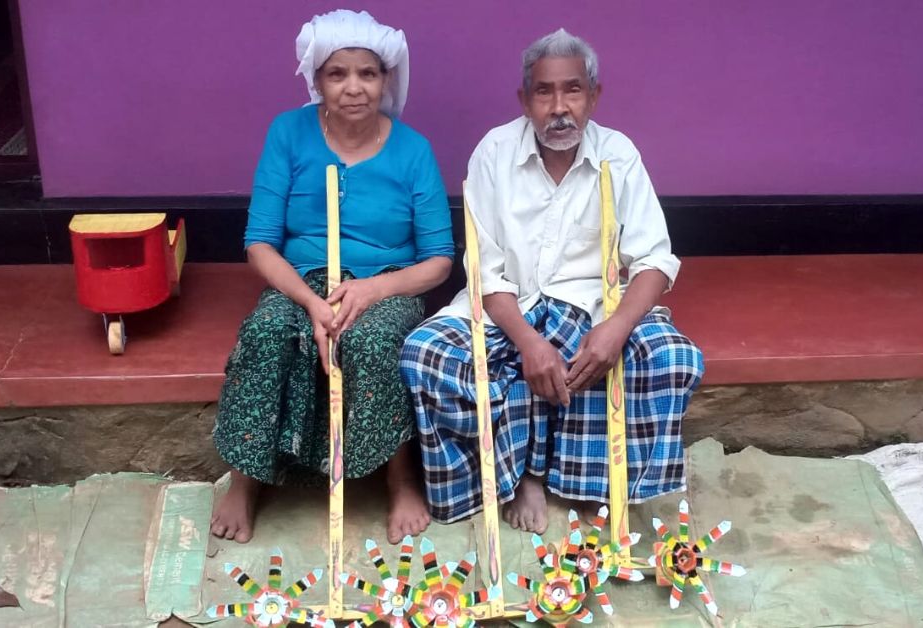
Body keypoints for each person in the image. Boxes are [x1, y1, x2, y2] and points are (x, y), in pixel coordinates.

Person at [400, 29, 703, 534]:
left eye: (573, 90)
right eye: (544, 92)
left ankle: (590, 482)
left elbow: (654, 259)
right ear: (524, 99)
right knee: (424, 354)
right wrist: (527, 341)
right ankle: (521, 477)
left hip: (594, 305)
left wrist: (616, 329)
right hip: (508, 305)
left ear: (594, 96)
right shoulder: (494, 153)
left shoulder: (618, 154)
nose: (559, 107)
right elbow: (485, 269)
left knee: (672, 359)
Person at [212, 9, 453, 545]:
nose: (353, 88)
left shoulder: (413, 150)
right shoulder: (288, 133)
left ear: (385, 80)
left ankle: (400, 479)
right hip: (302, 281)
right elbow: (259, 243)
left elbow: (439, 259)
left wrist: (370, 290)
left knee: (373, 341)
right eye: (337, 74)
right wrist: (314, 304)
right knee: (268, 331)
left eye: (367, 74)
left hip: (385, 283)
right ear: (316, 80)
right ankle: (246, 479)